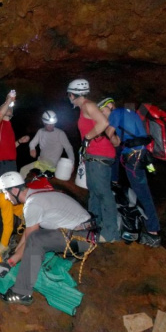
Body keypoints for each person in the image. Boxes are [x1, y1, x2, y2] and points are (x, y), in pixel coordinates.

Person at [0, 172, 94, 305]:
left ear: (14, 190)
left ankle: (21, 292)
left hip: (83, 238)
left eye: (6, 193)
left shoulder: (33, 204)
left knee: (37, 239)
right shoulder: (36, 195)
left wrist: (10, 263)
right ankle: (75, 254)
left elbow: (31, 239)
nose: (6, 198)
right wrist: (15, 254)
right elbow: (28, 230)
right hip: (86, 233)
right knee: (37, 235)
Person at [98, 97, 163, 247]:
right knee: (143, 191)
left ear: (110, 106)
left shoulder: (116, 113)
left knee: (143, 194)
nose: (102, 114)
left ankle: (153, 232)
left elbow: (108, 133)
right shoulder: (129, 113)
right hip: (142, 156)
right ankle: (114, 182)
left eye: (103, 111)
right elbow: (118, 142)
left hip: (134, 158)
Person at [67, 78, 120, 243]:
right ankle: (94, 225)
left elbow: (104, 122)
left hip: (100, 154)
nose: (69, 98)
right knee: (94, 193)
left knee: (103, 194)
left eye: (69, 95)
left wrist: (88, 138)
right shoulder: (85, 107)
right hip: (93, 155)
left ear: (74, 94)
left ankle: (111, 234)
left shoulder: (89, 105)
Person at [20, 110, 74, 179]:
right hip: (40, 162)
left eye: (53, 124)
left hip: (51, 165)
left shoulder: (60, 133)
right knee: (23, 170)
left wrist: (71, 163)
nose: (51, 126)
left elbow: (68, 148)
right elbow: (32, 143)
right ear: (44, 123)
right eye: (48, 124)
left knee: (37, 178)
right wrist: (32, 149)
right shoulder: (40, 131)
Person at [0, 90, 30, 179]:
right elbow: (1, 113)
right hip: (2, 162)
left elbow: (10, 146)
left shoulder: (9, 127)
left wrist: (20, 141)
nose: (8, 108)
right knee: (3, 190)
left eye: (10, 108)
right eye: (5, 107)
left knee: (12, 189)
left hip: (12, 162)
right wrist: (8, 100)